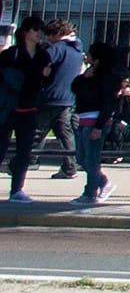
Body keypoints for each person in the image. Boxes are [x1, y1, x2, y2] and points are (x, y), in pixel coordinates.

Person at [69, 44, 125, 206]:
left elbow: (109, 104)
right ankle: (104, 183)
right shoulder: (90, 75)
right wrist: (83, 78)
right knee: (81, 157)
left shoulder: (110, 77)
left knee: (92, 159)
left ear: (97, 59)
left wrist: (99, 126)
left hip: (95, 121)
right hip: (83, 118)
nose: (86, 56)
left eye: (89, 54)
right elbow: (75, 88)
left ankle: (90, 192)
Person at [1, 23, 49, 204]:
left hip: (29, 109)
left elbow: (47, 80)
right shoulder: (11, 53)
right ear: (26, 32)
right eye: (36, 29)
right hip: (9, 108)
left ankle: (17, 190)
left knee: (24, 151)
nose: (40, 33)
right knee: (1, 148)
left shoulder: (43, 54)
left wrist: (44, 75)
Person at [38, 22, 80, 180]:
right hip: (67, 98)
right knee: (65, 134)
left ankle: (24, 161)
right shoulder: (76, 49)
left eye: (50, 35)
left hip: (50, 97)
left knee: (36, 132)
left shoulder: (57, 48)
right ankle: (70, 167)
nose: (48, 39)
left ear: (56, 34)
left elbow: (43, 60)